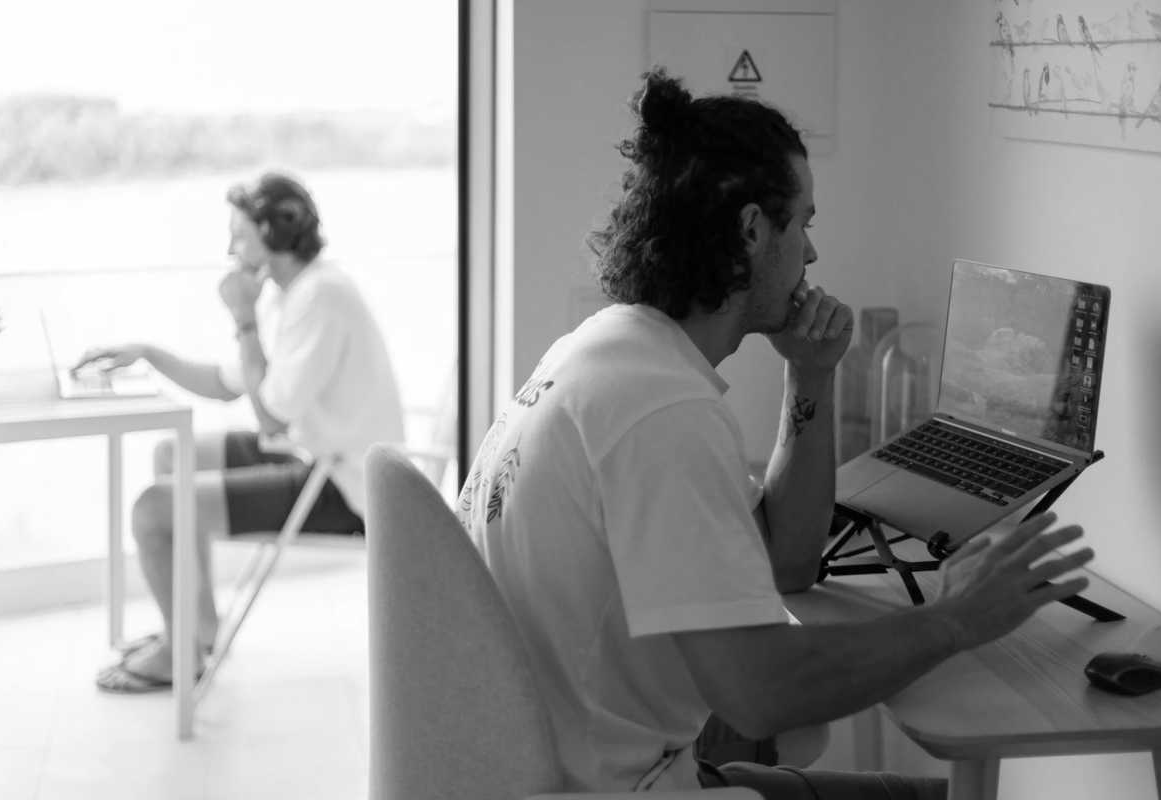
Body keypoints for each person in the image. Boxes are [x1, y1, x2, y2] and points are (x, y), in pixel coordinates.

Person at [455, 69, 1094, 798]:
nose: (812, 254)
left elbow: (786, 563)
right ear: (754, 230)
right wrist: (957, 619)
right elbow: (760, 694)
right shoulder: (662, 413)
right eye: (805, 223)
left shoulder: (606, 354)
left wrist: (810, 375)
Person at [81, 172, 404, 693]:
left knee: (152, 510)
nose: (230, 249)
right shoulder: (293, 292)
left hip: (344, 487)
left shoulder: (320, 297)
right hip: (310, 454)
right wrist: (147, 353)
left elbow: (271, 417)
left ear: (274, 233)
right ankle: (197, 631)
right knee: (172, 454)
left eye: (239, 235)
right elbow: (227, 383)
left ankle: (180, 655)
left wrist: (243, 318)